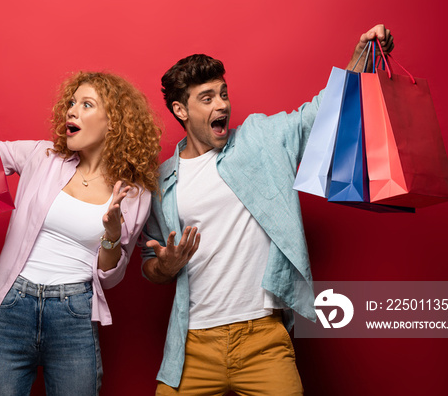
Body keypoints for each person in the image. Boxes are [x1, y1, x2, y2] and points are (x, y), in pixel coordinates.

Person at [140, 25, 394, 395]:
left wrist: (362, 56)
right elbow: (149, 266)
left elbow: (318, 115)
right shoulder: (164, 182)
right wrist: (166, 265)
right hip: (193, 344)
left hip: (263, 338)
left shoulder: (261, 139)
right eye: (207, 98)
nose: (222, 105)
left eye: (223, 94)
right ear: (181, 109)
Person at [0, 50, 161, 396]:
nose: (71, 110)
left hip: (74, 315)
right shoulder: (42, 157)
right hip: (12, 307)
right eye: (71, 102)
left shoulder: (134, 194)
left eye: (86, 104)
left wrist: (111, 235)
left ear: (114, 122)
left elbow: (110, 278)